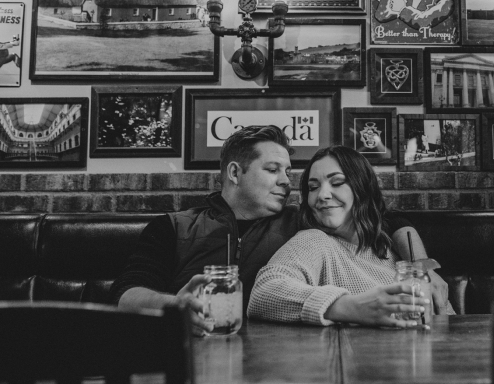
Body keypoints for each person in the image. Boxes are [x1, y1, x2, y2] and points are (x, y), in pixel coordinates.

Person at [110, 125, 448, 334]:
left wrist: (421, 266)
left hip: (272, 354)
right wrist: (175, 306)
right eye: (273, 169)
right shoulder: (175, 226)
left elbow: (384, 219)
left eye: (289, 172)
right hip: (186, 347)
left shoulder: (303, 219)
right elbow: (126, 294)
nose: (287, 182)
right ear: (234, 172)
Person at [248, 146, 455, 327]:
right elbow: (264, 292)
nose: (322, 195)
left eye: (337, 182)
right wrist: (350, 307)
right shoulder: (314, 241)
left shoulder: (393, 248)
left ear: (362, 188)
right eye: (313, 187)